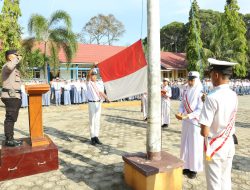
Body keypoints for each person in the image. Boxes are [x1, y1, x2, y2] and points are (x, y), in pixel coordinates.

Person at [199, 58, 238, 190]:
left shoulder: (212, 97)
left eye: (211, 74)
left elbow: (204, 131)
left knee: (214, 184)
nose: (210, 77)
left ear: (216, 75)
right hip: (228, 143)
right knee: (225, 180)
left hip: (214, 146)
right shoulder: (233, 95)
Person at [175, 71, 204, 179]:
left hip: (195, 121)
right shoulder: (186, 89)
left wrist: (188, 116)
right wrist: (180, 112)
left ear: (196, 80)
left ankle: (194, 169)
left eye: (192, 79)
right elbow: (182, 103)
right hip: (186, 121)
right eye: (189, 79)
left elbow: (200, 109)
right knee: (185, 143)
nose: (190, 81)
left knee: (194, 145)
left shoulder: (201, 91)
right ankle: (186, 166)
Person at [1, 50, 23, 147]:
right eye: (16, 55)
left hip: (14, 96)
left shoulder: (14, 68)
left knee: (12, 118)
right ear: (10, 57)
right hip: (10, 97)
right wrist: (17, 59)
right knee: (10, 118)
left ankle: (11, 138)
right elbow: (10, 66)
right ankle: (9, 140)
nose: (18, 56)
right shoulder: (7, 66)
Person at [86, 68, 109, 146]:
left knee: (97, 120)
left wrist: (107, 98)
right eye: (92, 75)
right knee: (92, 120)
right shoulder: (89, 83)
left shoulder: (99, 84)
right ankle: (92, 137)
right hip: (92, 103)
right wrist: (93, 67)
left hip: (98, 103)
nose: (94, 77)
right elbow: (88, 75)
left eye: (95, 75)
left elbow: (101, 92)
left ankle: (96, 136)